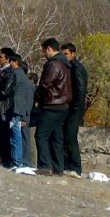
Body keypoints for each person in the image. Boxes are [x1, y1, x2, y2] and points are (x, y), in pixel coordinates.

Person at [35, 38, 73, 175]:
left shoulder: (54, 65)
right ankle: (58, 168)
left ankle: (45, 166)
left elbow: (46, 84)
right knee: (57, 138)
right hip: (63, 106)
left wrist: (37, 96)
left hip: (52, 105)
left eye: (44, 50)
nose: (44, 54)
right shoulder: (66, 64)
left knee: (41, 135)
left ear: (49, 48)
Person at [61, 42, 88, 178]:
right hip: (70, 108)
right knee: (66, 136)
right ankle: (67, 166)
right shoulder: (70, 67)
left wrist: (74, 108)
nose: (64, 57)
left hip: (75, 109)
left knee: (71, 136)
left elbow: (80, 91)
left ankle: (76, 168)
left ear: (73, 54)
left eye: (66, 54)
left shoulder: (77, 68)